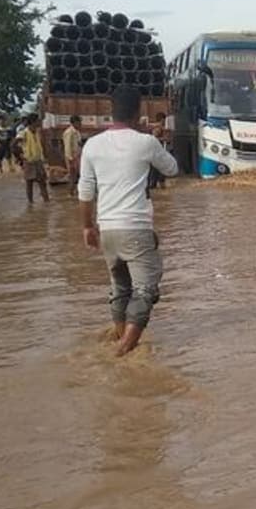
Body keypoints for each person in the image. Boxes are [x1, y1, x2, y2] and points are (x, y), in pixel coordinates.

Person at [78, 86, 180, 357]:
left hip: (107, 228)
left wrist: (88, 227)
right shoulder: (145, 143)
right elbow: (172, 169)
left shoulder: (92, 144)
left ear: (112, 112)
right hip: (135, 227)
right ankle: (122, 352)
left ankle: (120, 338)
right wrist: (154, 139)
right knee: (146, 289)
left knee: (120, 288)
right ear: (139, 111)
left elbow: (85, 190)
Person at [16, 113, 49, 203]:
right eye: (38, 120)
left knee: (42, 182)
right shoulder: (24, 133)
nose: (39, 122)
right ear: (33, 122)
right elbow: (14, 145)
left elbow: (41, 145)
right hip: (29, 161)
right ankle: (30, 203)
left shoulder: (37, 132)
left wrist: (44, 156)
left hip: (38, 160)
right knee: (29, 183)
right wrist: (21, 156)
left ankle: (46, 201)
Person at [147, 112, 169, 191]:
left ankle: (158, 183)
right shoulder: (158, 128)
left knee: (159, 169)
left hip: (159, 151)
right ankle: (154, 183)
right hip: (156, 152)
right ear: (162, 119)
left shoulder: (161, 127)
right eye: (164, 120)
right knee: (156, 169)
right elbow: (154, 138)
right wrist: (163, 139)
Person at [62, 115, 83, 196]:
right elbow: (67, 147)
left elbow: (78, 144)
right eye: (79, 122)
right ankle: (71, 193)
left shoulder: (77, 132)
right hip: (72, 158)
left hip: (77, 156)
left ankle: (74, 193)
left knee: (76, 176)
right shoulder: (69, 132)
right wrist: (70, 159)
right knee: (72, 176)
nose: (80, 124)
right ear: (74, 123)